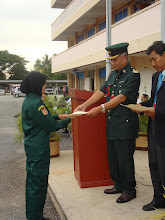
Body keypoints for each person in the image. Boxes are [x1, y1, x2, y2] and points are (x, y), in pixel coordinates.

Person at [75, 42, 140, 203]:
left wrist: (101, 108)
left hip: (125, 125)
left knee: (125, 158)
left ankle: (129, 189)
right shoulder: (113, 74)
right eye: (111, 60)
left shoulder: (133, 75)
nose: (112, 63)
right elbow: (102, 91)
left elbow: (121, 97)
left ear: (124, 58)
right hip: (112, 123)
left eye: (115, 59)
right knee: (114, 157)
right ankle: (118, 184)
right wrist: (86, 104)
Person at [20, 71, 78, 220]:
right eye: (43, 84)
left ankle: (33, 215)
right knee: (38, 185)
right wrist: (70, 118)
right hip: (38, 149)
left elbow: (42, 119)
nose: (45, 87)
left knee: (32, 183)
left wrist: (59, 116)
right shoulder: (37, 103)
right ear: (36, 85)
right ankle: (35, 217)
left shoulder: (29, 100)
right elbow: (51, 125)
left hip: (33, 147)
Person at [135, 41, 165, 211]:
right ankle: (158, 199)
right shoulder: (156, 76)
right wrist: (140, 107)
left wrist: (157, 112)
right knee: (154, 164)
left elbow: (159, 107)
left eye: (155, 59)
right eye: (151, 61)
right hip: (154, 127)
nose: (153, 64)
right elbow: (153, 100)